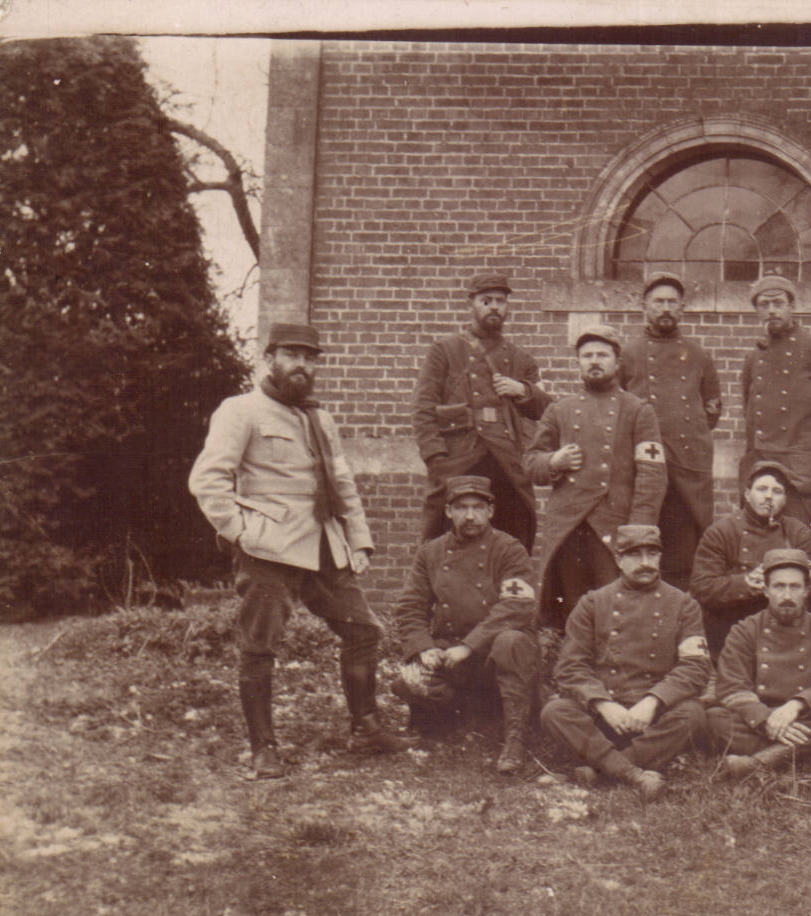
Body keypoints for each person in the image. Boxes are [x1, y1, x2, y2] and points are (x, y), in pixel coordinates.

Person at [189, 322, 415, 780]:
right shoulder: (241, 411)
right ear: (269, 358)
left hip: (324, 547)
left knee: (363, 630)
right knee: (259, 646)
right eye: (293, 355)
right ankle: (264, 749)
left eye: (311, 358)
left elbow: (342, 481)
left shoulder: (319, 417)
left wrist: (359, 539)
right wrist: (240, 532)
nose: (303, 365)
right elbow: (207, 480)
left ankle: (366, 729)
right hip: (268, 550)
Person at [540, 525, 711, 799]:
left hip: (654, 718)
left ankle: (600, 769)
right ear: (618, 559)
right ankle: (633, 774)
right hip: (605, 718)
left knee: (693, 714)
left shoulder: (683, 604)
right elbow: (570, 667)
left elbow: (696, 666)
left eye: (652, 554)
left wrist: (652, 702)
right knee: (555, 711)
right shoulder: (593, 603)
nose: (645, 563)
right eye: (635, 555)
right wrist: (604, 704)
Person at [391, 476, 545, 775]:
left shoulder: (509, 549)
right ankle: (453, 720)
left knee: (510, 640)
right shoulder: (430, 552)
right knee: (407, 682)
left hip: (494, 654)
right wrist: (424, 649)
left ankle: (514, 741)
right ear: (449, 512)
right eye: (461, 508)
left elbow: (515, 606)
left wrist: (469, 645)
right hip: (451, 654)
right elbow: (410, 607)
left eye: (478, 507)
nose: (470, 515)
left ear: (490, 510)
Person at [524, 325, 666, 627]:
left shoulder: (638, 411)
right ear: (578, 363)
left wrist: (637, 530)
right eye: (587, 355)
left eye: (602, 354)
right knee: (572, 609)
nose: (594, 361)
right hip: (569, 526)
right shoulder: (559, 410)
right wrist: (554, 460)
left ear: (617, 362)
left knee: (614, 608)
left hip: (613, 525)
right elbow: (531, 463)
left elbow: (652, 475)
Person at [412, 273, 550, 550]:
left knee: (511, 537)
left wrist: (522, 390)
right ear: (471, 305)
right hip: (458, 459)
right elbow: (423, 408)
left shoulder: (521, 359)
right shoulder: (445, 351)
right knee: (440, 542)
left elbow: (546, 412)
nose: (494, 307)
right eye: (486, 301)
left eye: (501, 301)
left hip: (504, 463)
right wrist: (436, 459)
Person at [706, 549, 811, 779]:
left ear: (807, 591)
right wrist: (767, 719)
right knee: (714, 718)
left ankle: (758, 763)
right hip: (759, 719)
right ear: (766, 590)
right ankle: (806, 759)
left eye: (795, 587)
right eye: (779, 586)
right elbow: (731, 687)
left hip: (805, 716)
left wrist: (794, 707)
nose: (787, 594)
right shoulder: (744, 631)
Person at [618, 272, 722, 589]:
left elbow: (712, 409)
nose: (665, 308)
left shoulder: (699, 356)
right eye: (658, 301)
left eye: (671, 302)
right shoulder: (628, 354)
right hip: (642, 470)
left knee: (684, 549)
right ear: (644, 306)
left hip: (686, 471)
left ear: (682, 308)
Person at [738, 275, 811, 546]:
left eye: (778, 303)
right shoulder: (753, 359)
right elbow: (750, 414)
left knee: (809, 542)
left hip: (806, 473)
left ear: (791, 306)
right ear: (756, 310)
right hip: (764, 466)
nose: (771, 310)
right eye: (764, 304)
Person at [689, 460, 811, 657]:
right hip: (731, 631)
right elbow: (701, 587)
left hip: (785, 630)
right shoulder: (722, 532)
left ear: (784, 499)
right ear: (748, 495)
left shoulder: (799, 533)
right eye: (762, 489)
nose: (768, 496)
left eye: (777, 491)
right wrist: (745, 584)